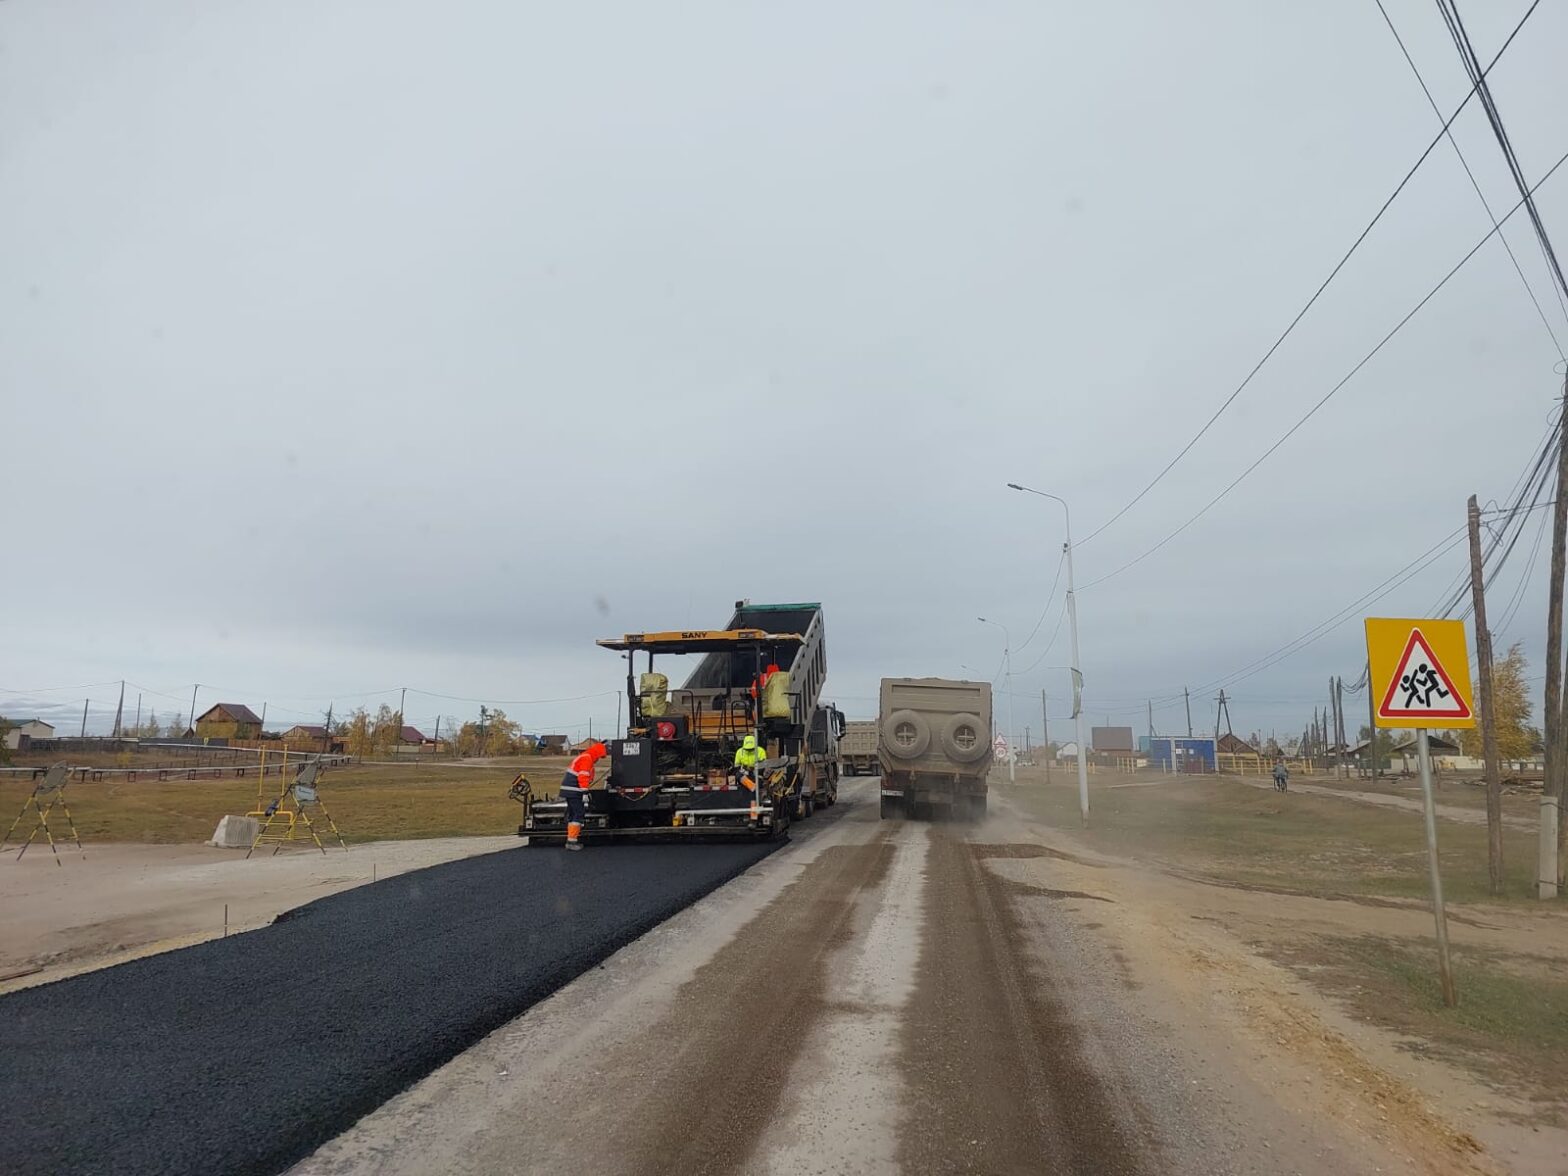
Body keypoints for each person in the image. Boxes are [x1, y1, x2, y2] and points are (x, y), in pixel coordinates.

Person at [560, 742, 608, 850]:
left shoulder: (585, 757)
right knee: (578, 814)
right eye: (600, 757)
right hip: (574, 790)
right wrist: (585, 792)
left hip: (570, 790)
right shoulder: (587, 759)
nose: (598, 760)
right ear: (597, 753)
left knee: (574, 815)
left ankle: (571, 839)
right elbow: (583, 776)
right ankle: (571, 842)